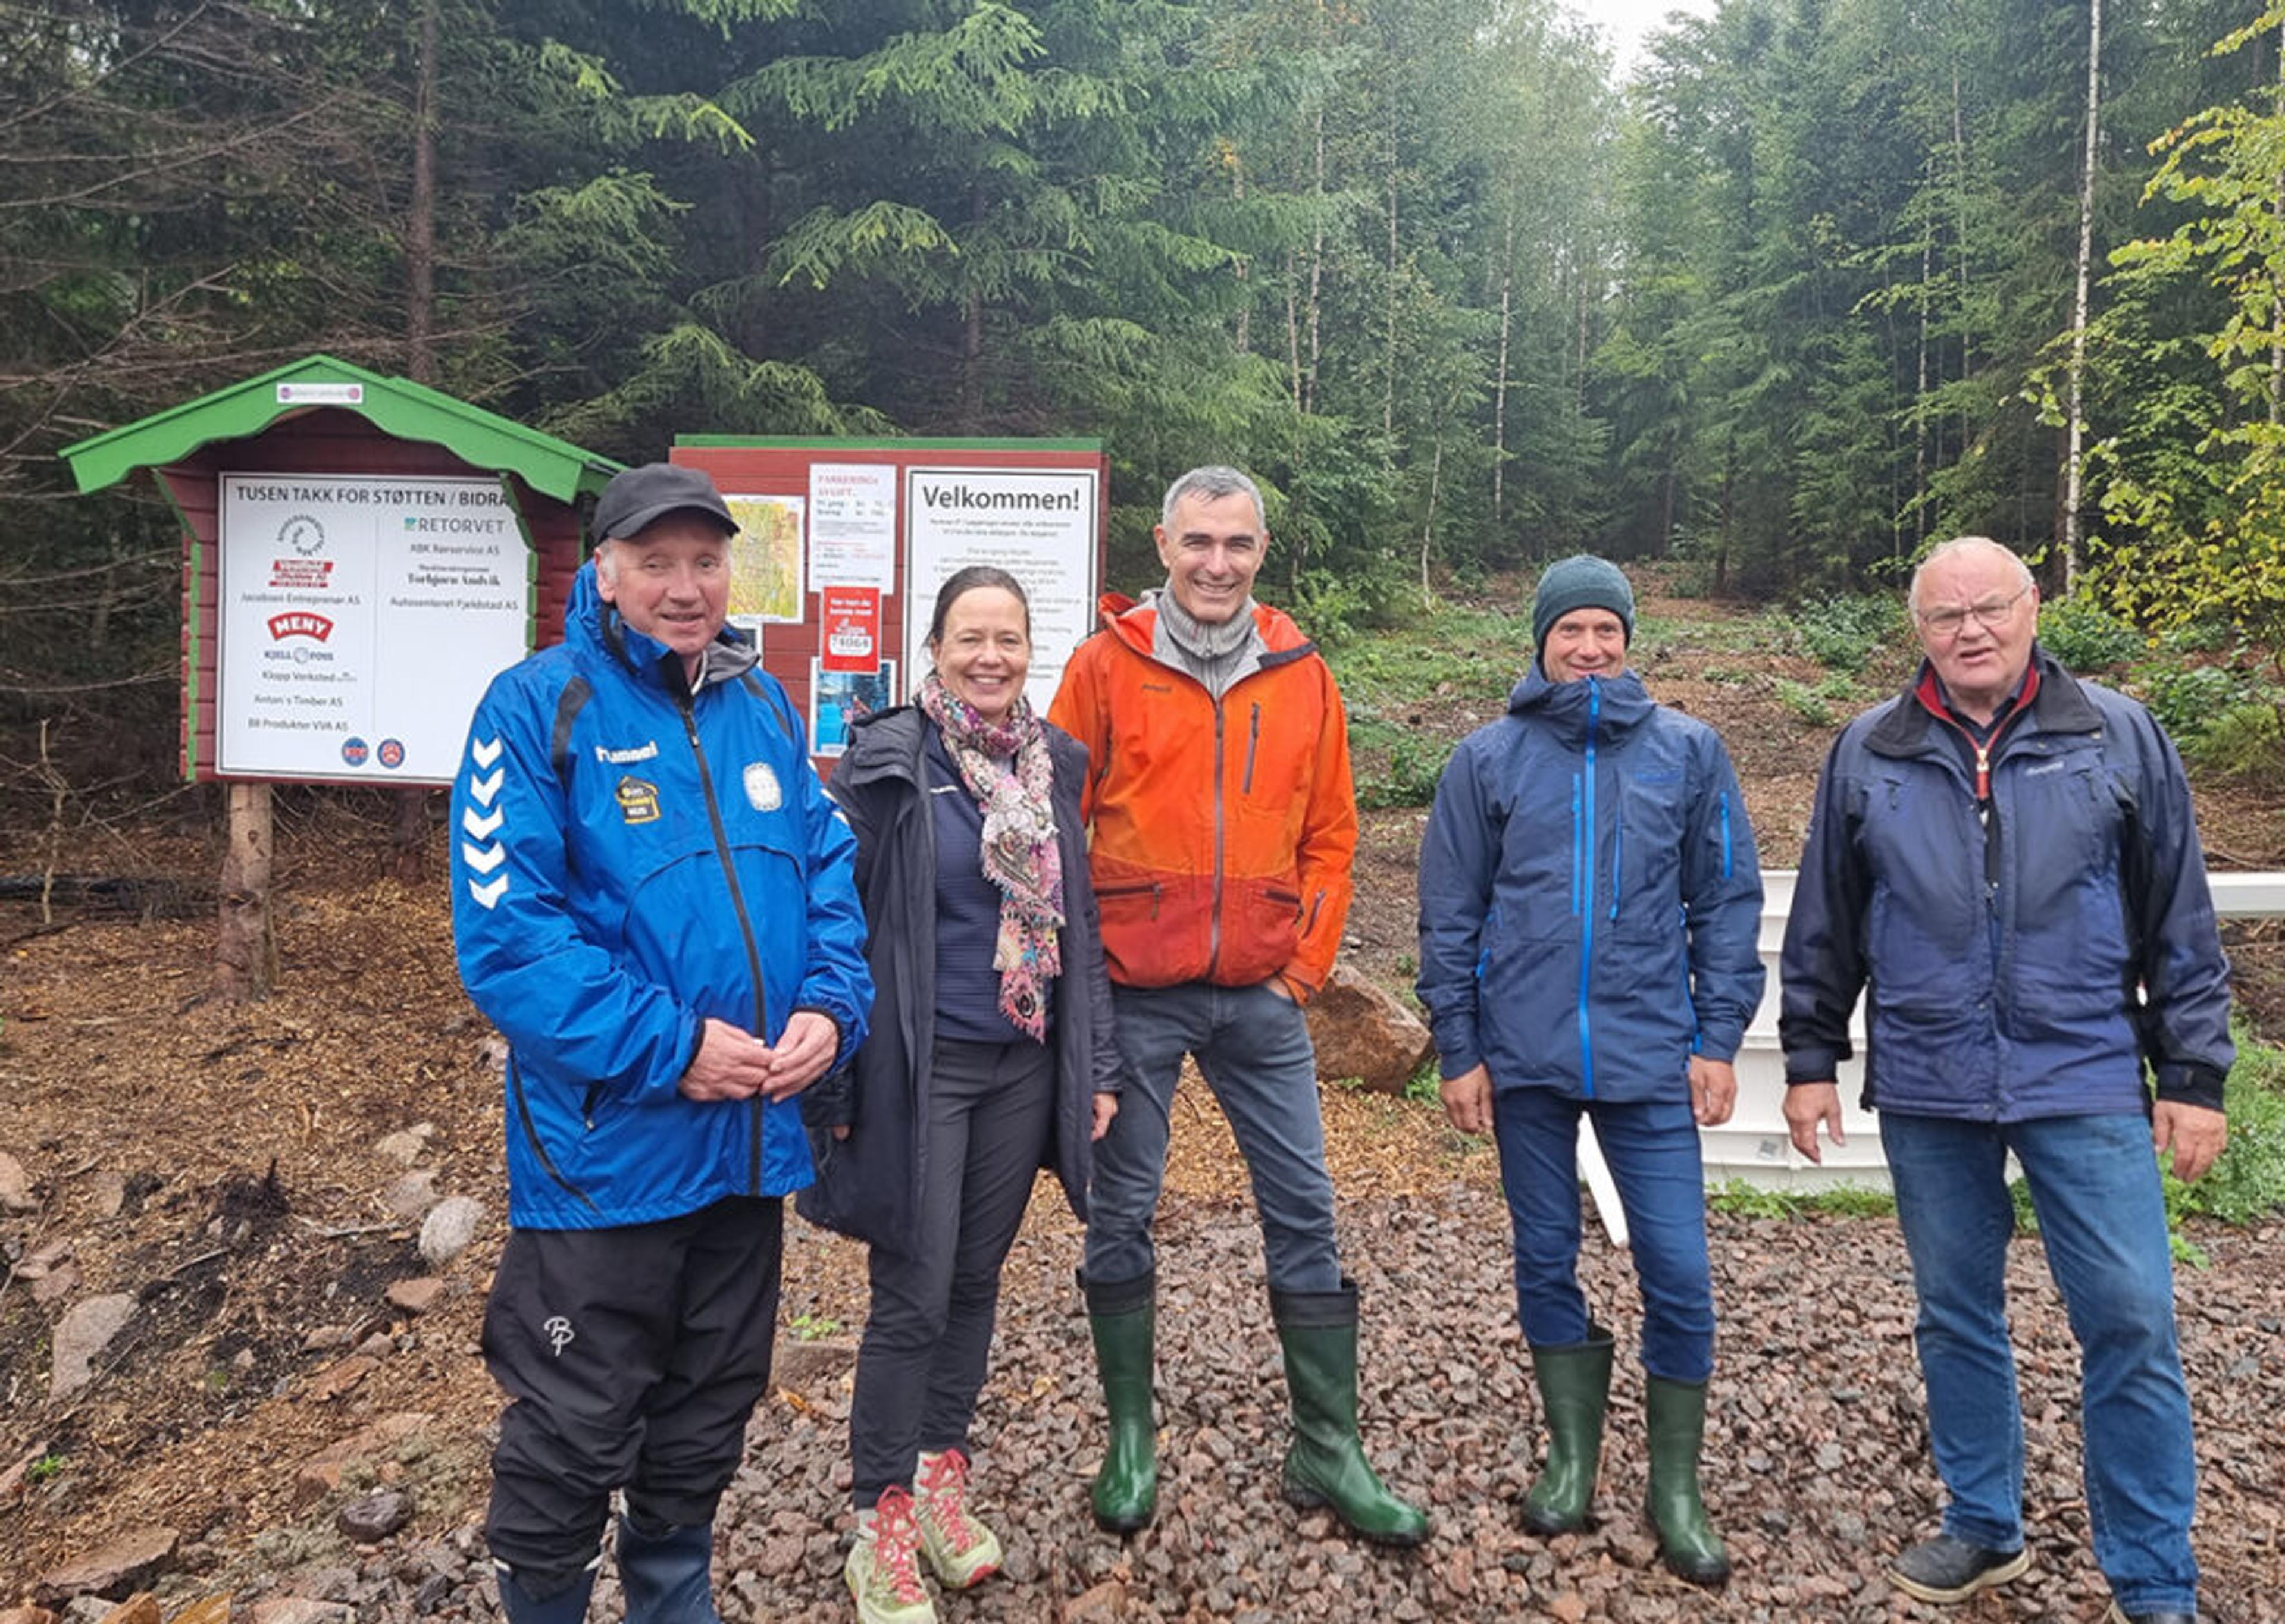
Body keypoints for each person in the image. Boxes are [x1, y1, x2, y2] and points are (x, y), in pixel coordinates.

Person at [449, 462, 872, 1624]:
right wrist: (672, 1047)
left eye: (705, 561)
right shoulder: (535, 709)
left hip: (749, 1149)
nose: (686, 587)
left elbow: (828, 877)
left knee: (706, 1413)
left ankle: (673, 1596)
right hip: (606, 1163)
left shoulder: (761, 704)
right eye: (655, 562)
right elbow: (510, 942)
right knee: (572, 1428)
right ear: (605, 572)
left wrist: (831, 1008)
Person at [1780, 536, 2232, 1624]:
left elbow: (2179, 913)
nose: (1970, 630)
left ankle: (2154, 1577)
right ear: (1919, 631)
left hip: (2084, 1070)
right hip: (1930, 1078)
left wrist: (2193, 1072)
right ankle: (1984, 1521)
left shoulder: (2117, 734)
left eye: (1989, 607)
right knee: (1955, 1311)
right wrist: (1809, 1058)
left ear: (2034, 608)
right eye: (1946, 616)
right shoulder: (1870, 750)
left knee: (2131, 1318)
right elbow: (1827, 915)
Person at [1046, 464, 1426, 1547]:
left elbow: (1334, 832)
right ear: (1163, 546)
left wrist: (1301, 972)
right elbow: (1057, 828)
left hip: (1261, 996)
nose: (1218, 564)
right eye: (1199, 542)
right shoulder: (1104, 666)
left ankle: (1328, 1444)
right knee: (1120, 1210)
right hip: (1137, 995)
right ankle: (1132, 1439)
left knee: (1305, 1207)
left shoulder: (1302, 673)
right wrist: (1084, 985)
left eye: (1239, 544)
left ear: (1262, 552)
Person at [1414, 556, 1763, 1587]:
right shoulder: (1488, 758)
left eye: (1606, 629)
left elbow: (1726, 900)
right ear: (1541, 641)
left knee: (1680, 1268)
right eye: (1570, 629)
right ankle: (1571, 1457)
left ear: (1629, 639)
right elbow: (1449, 912)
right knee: (1545, 1256)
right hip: (1522, 1057)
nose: (1590, 647)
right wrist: (1459, 1047)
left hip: (1651, 1053)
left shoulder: (1688, 752)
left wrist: (1717, 1037)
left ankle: (1675, 1486)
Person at [798, 567, 1123, 1624]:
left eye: (1009, 639)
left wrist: (1099, 1066)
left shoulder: (1052, 762)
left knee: (975, 1282)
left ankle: (942, 1482)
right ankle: (879, 1526)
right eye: (970, 638)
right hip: (920, 1069)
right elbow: (834, 923)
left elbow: (1079, 930)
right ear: (934, 647)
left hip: (1021, 1065)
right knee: (914, 1291)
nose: (991, 657)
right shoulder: (889, 761)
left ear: (1032, 649)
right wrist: (836, 1077)